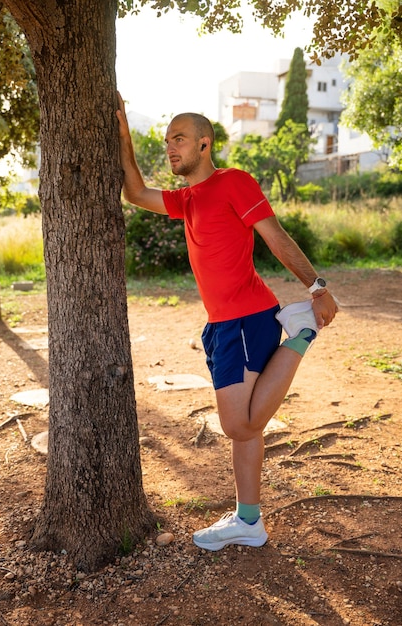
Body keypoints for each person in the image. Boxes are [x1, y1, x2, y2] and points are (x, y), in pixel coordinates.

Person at [116, 93, 338, 552]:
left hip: (245, 316)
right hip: (222, 324)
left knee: (237, 425)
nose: (170, 147)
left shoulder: (233, 182)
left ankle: (301, 332)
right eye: (166, 140)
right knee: (248, 429)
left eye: (179, 138)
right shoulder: (187, 199)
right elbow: (135, 193)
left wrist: (317, 287)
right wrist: (122, 135)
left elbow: (275, 237)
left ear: (204, 143)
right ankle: (249, 521)